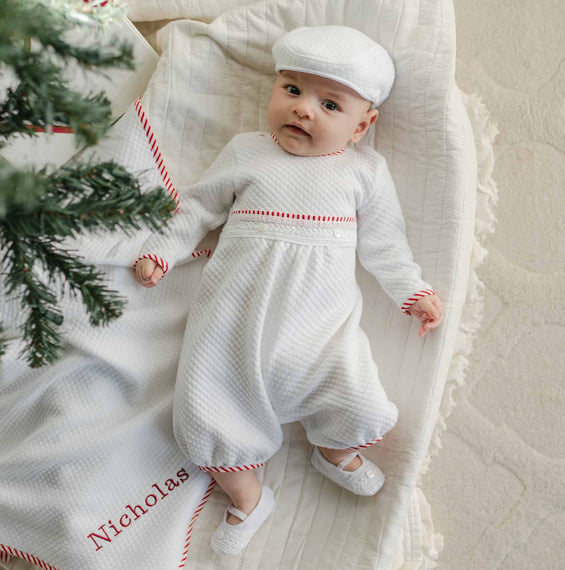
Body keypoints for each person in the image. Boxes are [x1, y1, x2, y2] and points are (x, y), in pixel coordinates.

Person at [133, 25, 444, 556]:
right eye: (292, 90)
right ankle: (249, 494)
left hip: (319, 329)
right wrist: (163, 251)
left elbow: (385, 245)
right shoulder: (246, 151)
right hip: (234, 320)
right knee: (206, 403)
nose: (304, 110)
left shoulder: (363, 172)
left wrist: (411, 290)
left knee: (354, 392)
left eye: (330, 103)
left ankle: (333, 449)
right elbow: (200, 207)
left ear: (362, 126)